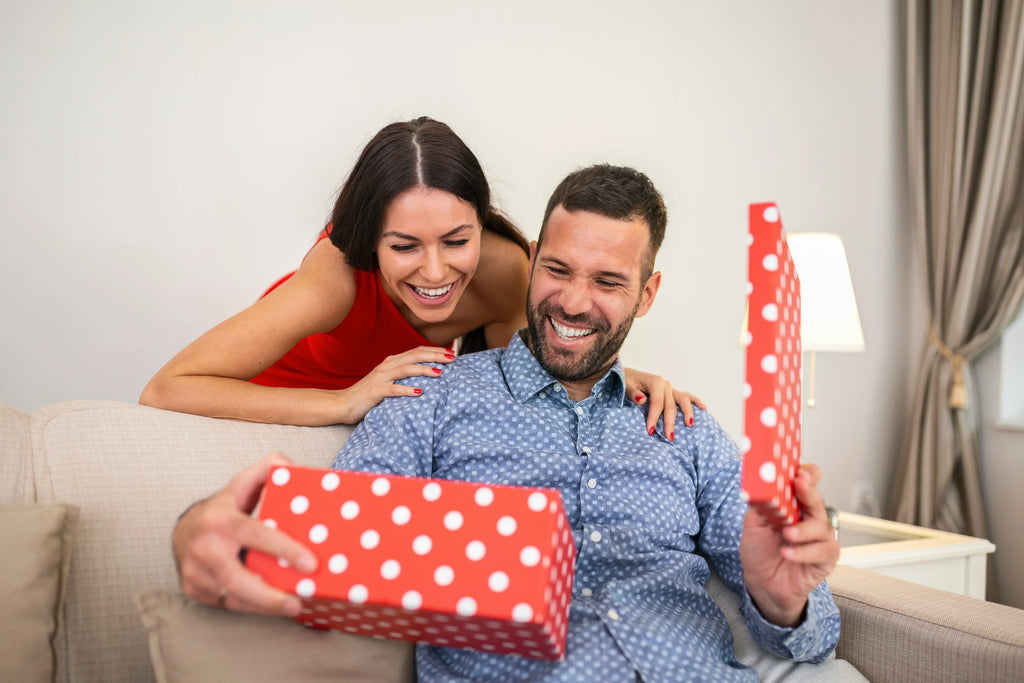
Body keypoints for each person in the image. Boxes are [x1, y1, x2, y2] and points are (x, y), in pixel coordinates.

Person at [173, 164, 840, 681]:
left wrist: (783, 599)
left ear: (648, 292)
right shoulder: (427, 399)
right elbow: (332, 539)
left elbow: (813, 629)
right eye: (557, 269)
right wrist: (198, 529)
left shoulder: (686, 429)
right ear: (530, 261)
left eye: (608, 281)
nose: (574, 302)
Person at [140, 117, 701, 434]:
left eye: (457, 241)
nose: (436, 272)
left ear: (481, 222)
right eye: (404, 246)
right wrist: (343, 402)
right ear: (370, 239)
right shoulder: (335, 276)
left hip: (383, 429)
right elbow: (166, 389)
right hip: (264, 413)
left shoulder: (511, 272)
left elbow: (530, 380)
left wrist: (620, 375)